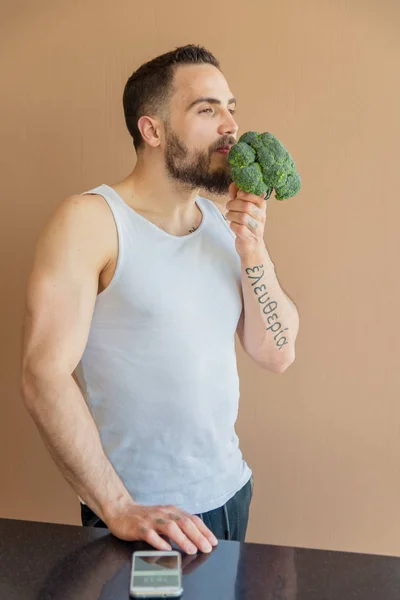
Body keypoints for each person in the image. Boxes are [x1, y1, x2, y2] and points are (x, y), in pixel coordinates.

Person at [21, 44, 300, 555]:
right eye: (206, 109)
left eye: (231, 107)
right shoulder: (90, 221)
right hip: (143, 513)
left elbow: (276, 353)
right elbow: (43, 374)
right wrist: (117, 506)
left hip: (230, 492)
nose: (230, 127)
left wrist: (254, 250)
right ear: (151, 131)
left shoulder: (222, 225)